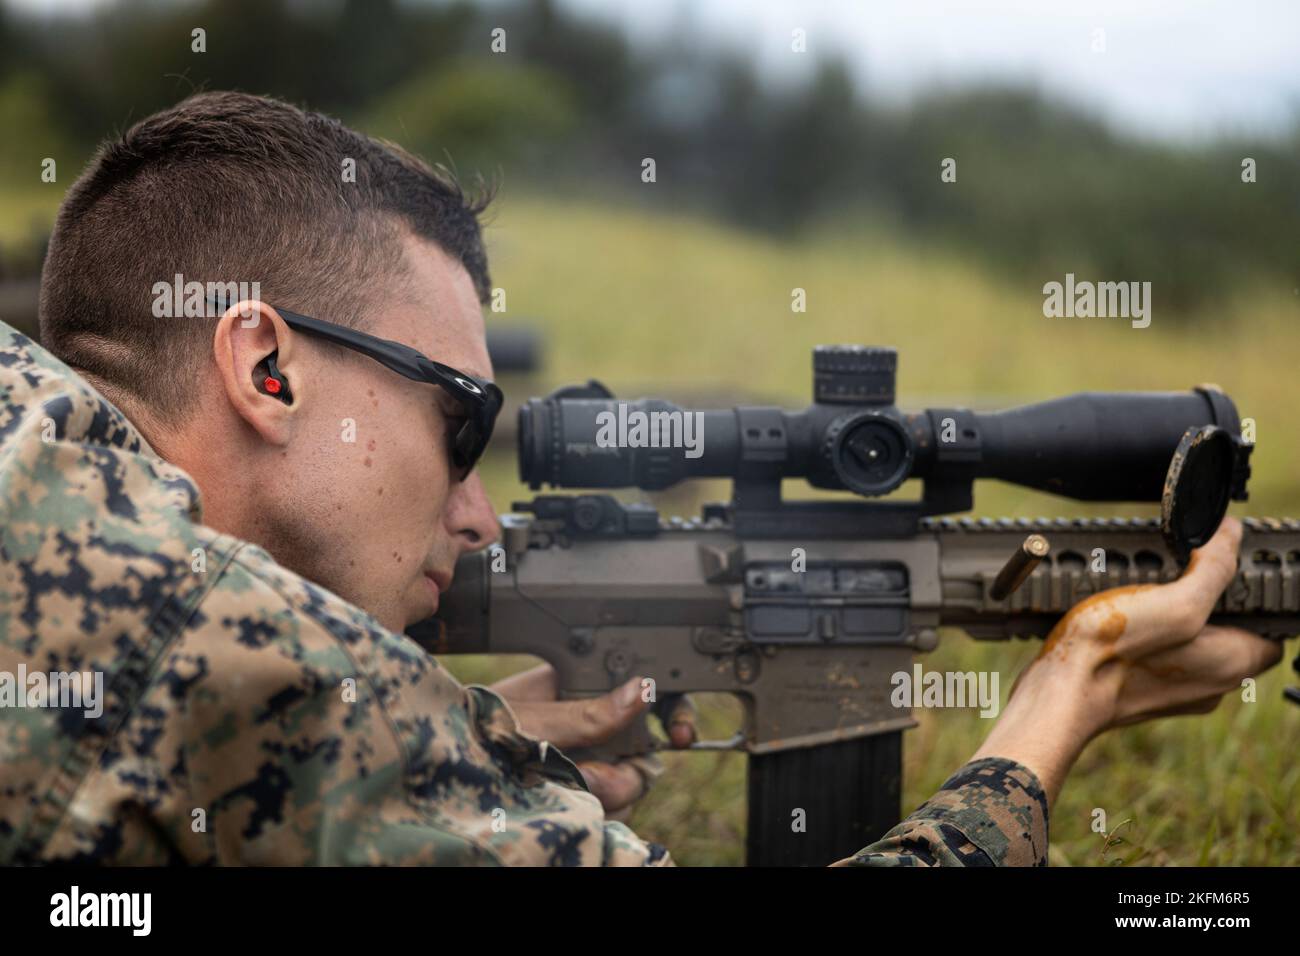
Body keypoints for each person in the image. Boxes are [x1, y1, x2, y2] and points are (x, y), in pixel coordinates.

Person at [0, 92, 1280, 866]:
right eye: (461, 422)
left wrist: (462, 747)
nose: (478, 509)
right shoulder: (225, 640)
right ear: (265, 368)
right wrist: (1065, 697)